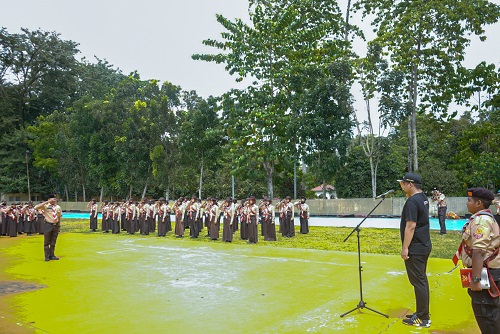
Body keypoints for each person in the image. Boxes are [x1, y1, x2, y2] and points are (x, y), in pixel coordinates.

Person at [454, 187, 500, 333]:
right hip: (487, 272)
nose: (467, 204)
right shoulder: (480, 218)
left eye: (469, 201)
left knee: (487, 316)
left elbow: (479, 251)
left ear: (479, 203)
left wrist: (475, 278)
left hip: (486, 274)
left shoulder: (481, 221)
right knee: (489, 315)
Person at [397, 173, 432, 328]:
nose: (402, 186)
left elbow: (410, 226)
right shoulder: (422, 198)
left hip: (416, 247)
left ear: (410, 184)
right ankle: (421, 312)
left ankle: (423, 318)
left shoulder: (412, 201)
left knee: (419, 282)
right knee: (420, 280)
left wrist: (405, 247)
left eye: (403, 183)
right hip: (423, 244)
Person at [35, 194, 62, 261]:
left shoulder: (58, 207)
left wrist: (59, 226)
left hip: (55, 225)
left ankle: (52, 255)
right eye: (53, 199)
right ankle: (47, 256)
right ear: (49, 199)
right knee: (46, 241)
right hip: (48, 224)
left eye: (55, 199)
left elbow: (59, 216)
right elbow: (36, 207)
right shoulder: (46, 206)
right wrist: (47, 202)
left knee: (53, 241)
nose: (54, 200)